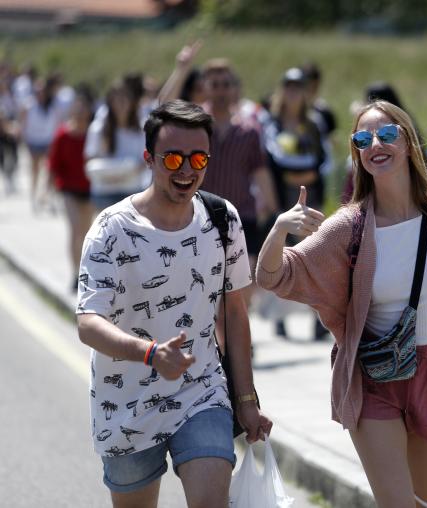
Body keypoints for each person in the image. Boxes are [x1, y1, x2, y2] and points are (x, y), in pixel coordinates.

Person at [256, 100, 427, 507]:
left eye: (387, 134)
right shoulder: (349, 226)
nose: (376, 144)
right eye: (363, 139)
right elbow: (273, 276)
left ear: (408, 143)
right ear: (357, 154)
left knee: (426, 502)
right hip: (374, 379)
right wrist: (281, 228)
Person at [76, 100, 272, 507]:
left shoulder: (222, 219)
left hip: (201, 392)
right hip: (125, 402)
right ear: (149, 158)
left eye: (198, 157)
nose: (186, 169)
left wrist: (247, 401)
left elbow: (234, 315)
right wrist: (149, 354)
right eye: (173, 158)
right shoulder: (111, 229)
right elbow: (88, 322)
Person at [199, 58, 277, 308]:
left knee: (244, 279)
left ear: (234, 89)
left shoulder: (248, 130)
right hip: (203, 215)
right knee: (207, 281)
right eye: (215, 85)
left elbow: (260, 171)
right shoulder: (196, 126)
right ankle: (217, 338)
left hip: (242, 214)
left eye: (225, 85)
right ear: (206, 88)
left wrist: (274, 210)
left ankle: (241, 337)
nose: (221, 91)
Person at [263, 67, 329, 339]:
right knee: (281, 257)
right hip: (283, 199)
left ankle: (318, 317)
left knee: (313, 256)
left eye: (298, 87)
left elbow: (322, 160)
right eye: (288, 86)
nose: (293, 92)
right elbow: (271, 158)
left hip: (309, 195)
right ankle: (280, 318)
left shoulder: (314, 123)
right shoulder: (272, 123)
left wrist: (301, 173)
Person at [47, 84, 95, 288]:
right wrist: (47, 190)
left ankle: (86, 271)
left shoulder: (95, 133)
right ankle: (75, 274)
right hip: (69, 189)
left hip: (90, 188)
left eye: (84, 108)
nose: (81, 112)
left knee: (87, 233)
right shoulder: (63, 135)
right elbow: (53, 164)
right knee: (76, 230)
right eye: (78, 108)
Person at [84, 79, 148, 213]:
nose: (121, 104)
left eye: (124, 99)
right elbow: (89, 158)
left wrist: (125, 173)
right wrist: (111, 174)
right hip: (104, 190)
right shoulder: (98, 129)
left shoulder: (140, 129)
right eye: (117, 99)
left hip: (132, 189)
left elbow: (145, 159)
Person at [18, 75, 63, 210]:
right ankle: (34, 196)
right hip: (33, 141)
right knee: (35, 170)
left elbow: (57, 123)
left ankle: (49, 197)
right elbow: (23, 123)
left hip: (49, 141)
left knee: (50, 171)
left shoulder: (53, 105)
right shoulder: (29, 105)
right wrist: (23, 137)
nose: (40, 94)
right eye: (38, 91)